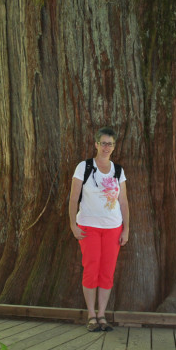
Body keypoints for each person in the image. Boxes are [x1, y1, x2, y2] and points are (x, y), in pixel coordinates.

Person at [69, 127, 129, 332]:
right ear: (96, 144)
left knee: (107, 272)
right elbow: (73, 198)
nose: (106, 147)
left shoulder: (118, 171)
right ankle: (91, 315)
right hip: (88, 227)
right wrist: (72, 225)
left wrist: (126, 229)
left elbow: (124, 202)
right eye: (103, 143)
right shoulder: (84, 167)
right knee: (91, 268)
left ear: (114, 146)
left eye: (110, 144)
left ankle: (102, 314)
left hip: (113, 228)